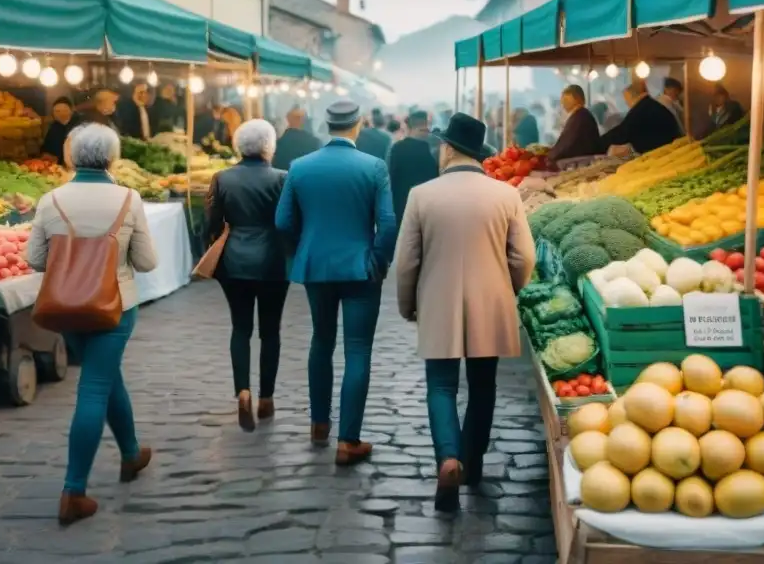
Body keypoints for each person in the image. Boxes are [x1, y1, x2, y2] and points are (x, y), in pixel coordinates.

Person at [394, 112, 536, 511]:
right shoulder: (506, 195)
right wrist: (508, 287)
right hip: (490, 301)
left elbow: (406, 262)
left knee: (440, 386)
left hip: (438, 300)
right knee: (483, 386)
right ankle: (472, 463)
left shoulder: (421, 195)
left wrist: (409, 305)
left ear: (448, 148)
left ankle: (448, 458)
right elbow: (524, 257)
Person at [25, 123, 158, 526]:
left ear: (71, 156)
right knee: (96, 385)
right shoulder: (128, 199)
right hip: (114, 306)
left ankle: (132, 453)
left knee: (104, 375)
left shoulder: (51, 199)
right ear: (112, 158)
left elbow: (34, 259)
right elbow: (148, 262)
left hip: (67, 307)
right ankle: (73, 490)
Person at [275, 100, 397, 466]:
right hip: (360, 267)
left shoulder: (300, 167)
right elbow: (388, 223)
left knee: (321, 341)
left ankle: (318, 424)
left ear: (326, 125)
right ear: (357, 125)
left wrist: (306, 246)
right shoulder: (374, 167)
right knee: (357, 349)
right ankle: (348, 439)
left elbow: (282, 221)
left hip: (317, 266)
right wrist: (378, 259)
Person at [206, 120, 290, 432]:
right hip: (272, 262)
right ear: (269, 146)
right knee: (271, 331)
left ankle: (243, 391)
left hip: (234, 262)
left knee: (240, 328)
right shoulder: (283, 179)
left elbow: (211, 225)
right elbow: (289, 220)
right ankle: (266, 397)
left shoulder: (222, 178)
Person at [594, 81, 682, 155]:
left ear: (632, 97)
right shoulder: (651, 105)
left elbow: (622, 132)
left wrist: (597, 145)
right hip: (671, 150)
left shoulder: (641, 108)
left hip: (665, 154)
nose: (628, 104)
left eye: (626, 100)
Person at [387, 111, 440, 229]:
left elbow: (392, 179)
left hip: (403, 207)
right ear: (425, 125)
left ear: (408, 127)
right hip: (429, 209)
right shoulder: (434, 149)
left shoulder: (397, 149)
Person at [546, 85, 600, 169]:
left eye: (566, 99)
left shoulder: (580, 116)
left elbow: (567, 144)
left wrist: (549, 157)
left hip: (582, 163)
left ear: (577, 99)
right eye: (562, 100)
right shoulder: (581, 115)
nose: (563, 103)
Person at [40, 97, 83, 166]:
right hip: (55, 167)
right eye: (57, 111)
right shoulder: (54, 127)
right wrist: (45, 154)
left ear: (71, 111)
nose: (62, 114)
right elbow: (46, 147)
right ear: (53, 114)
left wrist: (58, 158)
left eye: (65, 110)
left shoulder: (80, 126)